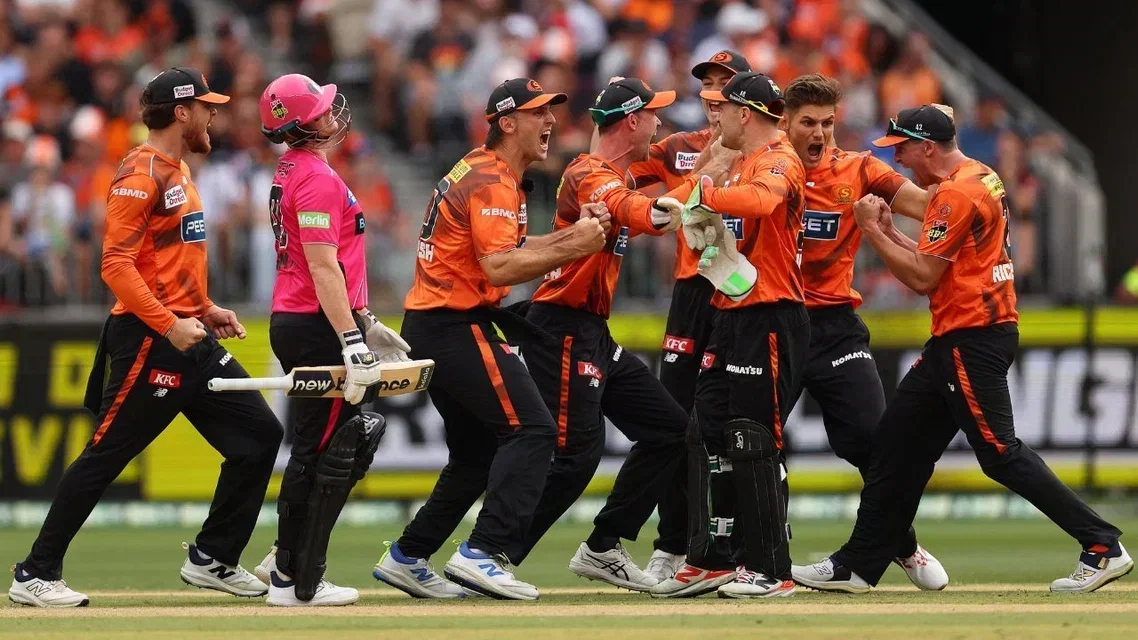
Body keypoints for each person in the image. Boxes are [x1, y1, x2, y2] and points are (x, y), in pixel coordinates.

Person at [792, 106, 1132, 594]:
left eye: (903, 149)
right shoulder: (981, 176)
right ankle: (860, 565)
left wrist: (871, 231)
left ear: (927, 147)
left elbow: (922, 277)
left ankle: (1102, 544)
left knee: (999, 454)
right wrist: (889, 231)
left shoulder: (954, 193)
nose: (899, 160)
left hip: (971, 336)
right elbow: (939, 261)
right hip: (960, 336)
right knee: (895, 445)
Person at [8, 68, 283, 608]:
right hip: (151, 337)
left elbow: (169, 261)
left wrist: (204, 308)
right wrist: (169, 323)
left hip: (187, 331)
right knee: (106, 454)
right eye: (205, 106)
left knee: (259, 436)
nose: (213, 114)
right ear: (181, 112)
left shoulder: (179, 169)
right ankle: (34, 573)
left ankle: (213, 556)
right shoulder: (141, 172)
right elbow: (115, 264)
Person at [372, 78, 607, 601]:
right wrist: (578, 247)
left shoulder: (484, 171)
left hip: (437, 323)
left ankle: (408, 556)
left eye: (551, 112)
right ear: (507, 122)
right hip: (454, 325)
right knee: (533, 430)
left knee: (476, 454)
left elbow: (510, 249)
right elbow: (500, 267)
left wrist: (574, 235)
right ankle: (483, 552)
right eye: (538, 113)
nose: (551, 122)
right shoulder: (493, 180)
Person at [511, 77, 689, 591]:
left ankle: (604, 545)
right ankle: (491, 552)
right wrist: (702, 183)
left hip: (590, 328)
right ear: (632, 120)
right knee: (574, 457)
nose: (659, 122)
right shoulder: (589, 173)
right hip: (562, 326)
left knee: (670, 430)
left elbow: (650, 193)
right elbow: (647, 216)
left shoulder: (614, 174)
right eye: (653, 113)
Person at [779, 74, 948, 590]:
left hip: (834, 326)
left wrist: (969, 188)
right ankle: (756, 557)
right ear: (784, 122)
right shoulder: (762, 169)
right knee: (754, 443)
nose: (819, 133)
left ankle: (902, 544)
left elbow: (928, 205)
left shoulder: (860, 169)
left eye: (827, 123)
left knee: (872, 441)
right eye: (808, 122)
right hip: (772, 321)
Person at [650, 71, 808, 599]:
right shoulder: (742, 161)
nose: (716, 120)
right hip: (733, 310)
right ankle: (713, 558)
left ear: (745, 113)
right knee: (706, 428)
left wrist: (705, 196)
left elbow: (761, 202)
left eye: (724, 110)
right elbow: (735, 230)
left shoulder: (779, 158)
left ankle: (772, 569)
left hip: (771, 314)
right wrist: (709, 239)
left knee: (754, 438)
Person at [253, 73, 407, 607]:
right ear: (303, 125)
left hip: (307, 318)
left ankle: (286, 559)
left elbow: (326, 264)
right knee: (323, 451)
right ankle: (294, 578)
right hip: (313, 322)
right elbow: (322, 267)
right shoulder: (315, 177)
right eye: (319, 108)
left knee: (332, 444)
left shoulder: (294, 168)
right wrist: (349, 337)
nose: (331, 111)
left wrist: (363, 321)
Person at [624, 50, 751, 582]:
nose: (713, 94)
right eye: (708, 84)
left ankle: (750, 544)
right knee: (677, 420)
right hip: (693, 290)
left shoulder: (770, 151)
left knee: (741, 423)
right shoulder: (677, 147)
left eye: (725, 84)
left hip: (747, 290)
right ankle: (672, 542)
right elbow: (615, 176)